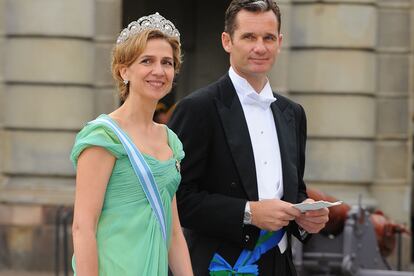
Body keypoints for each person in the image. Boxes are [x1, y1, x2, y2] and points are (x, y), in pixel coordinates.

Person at [168, 1, 329, 275]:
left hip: (281, 266)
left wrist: (307, 216)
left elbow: (294, 190)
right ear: (227, 41)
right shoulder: (198, 108)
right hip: (218, 265)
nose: (260, 47)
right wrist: (249, 212)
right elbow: (177, 199)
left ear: (279, 41)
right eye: (249, 37)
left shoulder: (293, 113)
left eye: (268, 37)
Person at [70, 13, 193, 276]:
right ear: (123, 70)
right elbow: (83, 227)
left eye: (167, 63)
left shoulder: (170, 140)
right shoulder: (104, 136)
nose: (159, 71)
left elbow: (173, 231)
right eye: (147, 61)